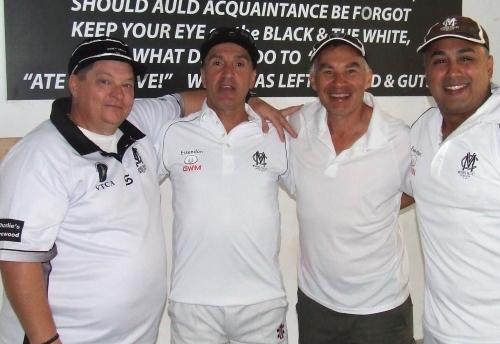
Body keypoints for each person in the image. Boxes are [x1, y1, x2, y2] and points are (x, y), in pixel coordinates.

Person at [0, 36, 293, 344]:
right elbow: (17, 259)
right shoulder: (40, 154)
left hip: (137, 335)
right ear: (74, 84)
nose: (118, 94)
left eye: (127, 85)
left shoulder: (137, 121)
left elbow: (204, 98)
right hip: (68, 337)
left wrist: (253, 101)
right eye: (104, 81)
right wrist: (45, 341)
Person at [160, 27, 293, 343]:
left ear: (254, 78)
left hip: (263, 302)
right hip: (193, 305)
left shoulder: (279, 134)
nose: (228, 73)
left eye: (240, 64)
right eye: (217, 63)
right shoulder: (173, 133)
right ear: (203, 75)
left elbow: (318, 192)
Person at [288, 33, 415, 343]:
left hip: (382, 309)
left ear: (369, 78)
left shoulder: (399, 138)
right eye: (327, 71)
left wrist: (377, 206)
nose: (339, 82)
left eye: (351, 70)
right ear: (312, 80)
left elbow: (421, 189)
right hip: (316, 305)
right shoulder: (296, 127)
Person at [409, 16, 499, 344]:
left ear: (488, 66)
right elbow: (405, 190)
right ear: (426, 73)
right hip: (437, 330)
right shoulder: (424, 127)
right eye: (440, 61)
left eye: (465, 58)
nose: (453, 72)